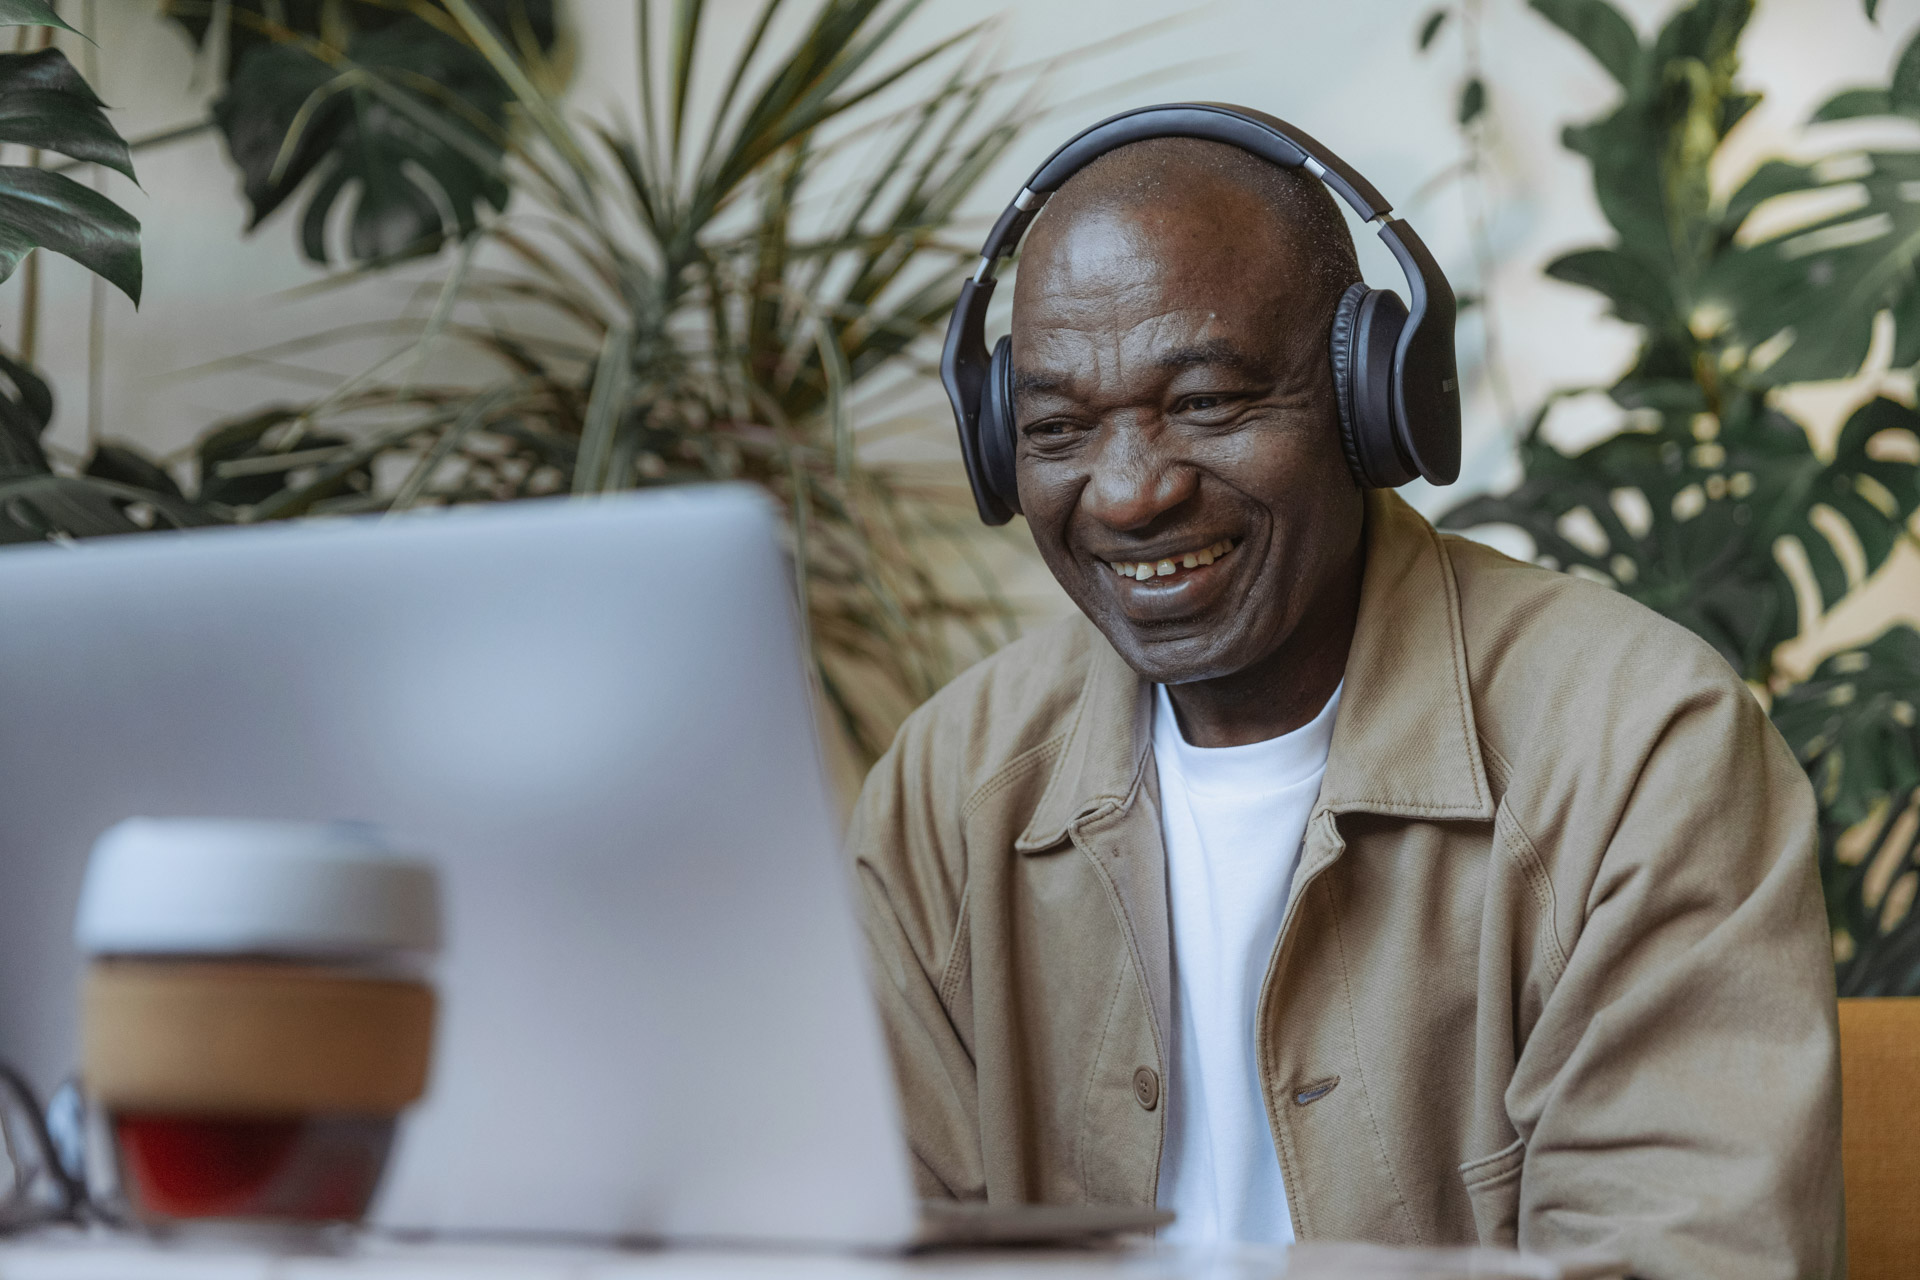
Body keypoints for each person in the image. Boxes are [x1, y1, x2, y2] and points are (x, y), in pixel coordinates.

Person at [847, 118, 1843, 1279]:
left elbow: (1689, 1257)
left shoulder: (1643, 749)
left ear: (1372, 401)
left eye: (1208, 401)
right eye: (1058, 429)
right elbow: (856, 1243)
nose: (1125, 493)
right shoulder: (945, 787)